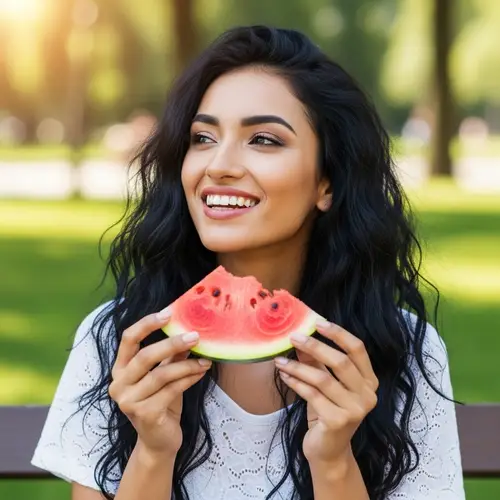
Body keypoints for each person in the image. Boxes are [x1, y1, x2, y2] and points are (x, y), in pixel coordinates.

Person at [31, 25, 465, 500]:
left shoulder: (402, 349)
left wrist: (333, 460)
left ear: (328, 183)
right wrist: (153, 452)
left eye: (263, 140)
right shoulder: (117, 340)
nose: (219, 164)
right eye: (202, 137)